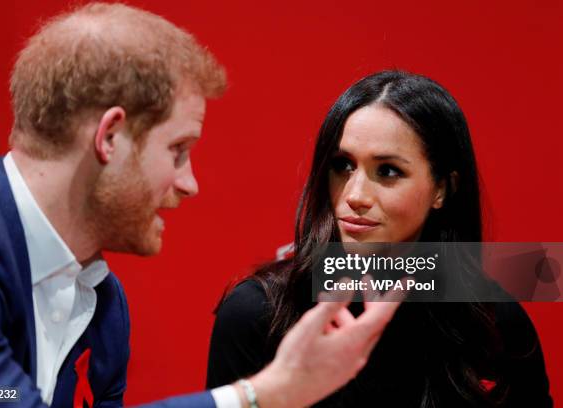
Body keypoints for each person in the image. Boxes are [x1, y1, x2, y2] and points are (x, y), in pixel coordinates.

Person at [0, 4, 406, 408]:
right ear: (110, 137)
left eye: (389, 170)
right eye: (178, 149)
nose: (190, 184)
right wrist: (263, 394)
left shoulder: (100, 301)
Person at [206, 71, 553, 407]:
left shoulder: (494, 321)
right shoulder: (259, 313)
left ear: (443, 189)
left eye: (388, 171)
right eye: (342, 165)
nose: (355, 194)